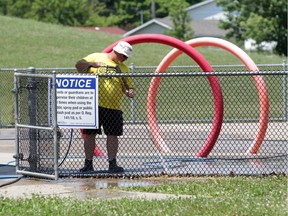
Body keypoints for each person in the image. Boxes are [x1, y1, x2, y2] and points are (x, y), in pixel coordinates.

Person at [75, 41, 135, 173]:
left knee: (112, 135)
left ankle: (112, 164)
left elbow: (127, 87)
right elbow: (78, 65)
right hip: (93, 105)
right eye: (123, 56)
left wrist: (129, 92)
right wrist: (91, 64)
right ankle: (88, 163)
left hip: (113, 108)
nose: (124, 59)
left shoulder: (123, 68)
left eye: (126, 57)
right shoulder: (97, 57)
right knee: (90, 135)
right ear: (117, 51)